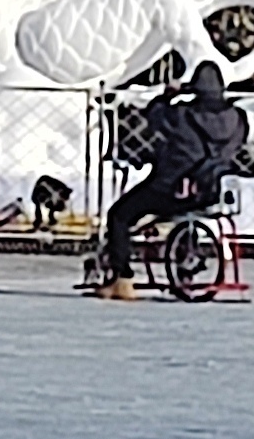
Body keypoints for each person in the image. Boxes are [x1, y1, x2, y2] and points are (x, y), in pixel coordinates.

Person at [97, 63, 246, 300]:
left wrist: (167, 96)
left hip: (171, 188)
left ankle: (121, 279)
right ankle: (185, 260)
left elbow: (155, 115)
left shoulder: (182, 115)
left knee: (120, 215)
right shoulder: (238, 118)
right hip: (211, 190)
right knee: (188, 210)